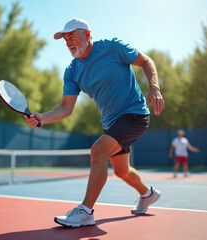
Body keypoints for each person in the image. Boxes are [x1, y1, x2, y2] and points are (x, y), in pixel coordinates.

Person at [25, 18, 165, 227]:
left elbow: (146, 61)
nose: (68, 42)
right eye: (65, 39)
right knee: (121, 171)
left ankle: (85, 211)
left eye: (71, 37)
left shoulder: (112, 47)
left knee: (98, 151)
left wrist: (154, 87)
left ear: (87, 34)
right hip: (112, 123)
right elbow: (66, 107)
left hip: (134, 114)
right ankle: (148, 194)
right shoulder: (72, 71)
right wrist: (43, 117)